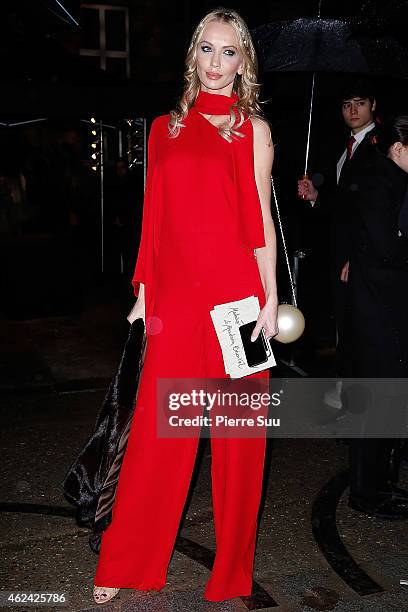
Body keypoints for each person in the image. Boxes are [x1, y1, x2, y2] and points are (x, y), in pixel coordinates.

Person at [92, 8, 278, 604]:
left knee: (240, 443)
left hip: (239, 302)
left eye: (230, 52)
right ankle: (127, 563)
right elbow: (154, 217)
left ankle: (232, 574)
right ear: (193, 56)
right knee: (156, 437)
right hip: (176, 298)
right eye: (208, 50)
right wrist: (144, 292)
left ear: (243, 62)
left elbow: (262, 224)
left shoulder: (254, 129)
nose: (217, 63)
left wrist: (271, 297)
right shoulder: (162, 129)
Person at [344, 115, 408, 519]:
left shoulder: (393, 180)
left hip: (387, 309)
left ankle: (380, 485)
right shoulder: (380, 181)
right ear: (399, 149)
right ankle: (368, 493)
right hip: (377, 312)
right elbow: (385, 247)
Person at [297, 80, 378, 381]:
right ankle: (346, 393)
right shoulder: (345, 148)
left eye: (360, 102)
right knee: (344, 324)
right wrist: (316, 196)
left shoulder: (379, 147)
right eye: (347, 105)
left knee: (362, 328)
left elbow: (376, 210)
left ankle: (360, 401)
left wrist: (359, 256)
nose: (353, 110)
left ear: (373, 105)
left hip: (364, 255)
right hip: (341, 251)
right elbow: (345, 205)